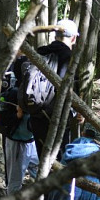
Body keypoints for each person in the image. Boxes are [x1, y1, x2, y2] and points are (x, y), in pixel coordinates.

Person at [20, 18, 79, 159]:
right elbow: (69, 91)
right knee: (61, 160)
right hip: (59, 118)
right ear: (73, 38)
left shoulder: (40, 52)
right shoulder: (69, 57)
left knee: (44, 159)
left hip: (37, 114)